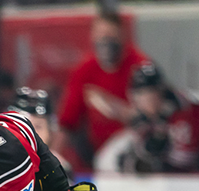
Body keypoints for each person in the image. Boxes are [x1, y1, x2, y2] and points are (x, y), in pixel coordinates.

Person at [58, 9, 149, 165]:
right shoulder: (84, 71)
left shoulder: (141, 67)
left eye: (111, 36)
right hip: (93, 154)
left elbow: (149, 118)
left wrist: (108, 104)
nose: (105, 42)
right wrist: (52, 159)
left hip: (135, 150)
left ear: (122, 36)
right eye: (101, 36)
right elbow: (67, 123)